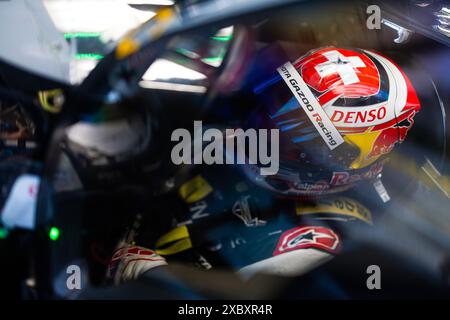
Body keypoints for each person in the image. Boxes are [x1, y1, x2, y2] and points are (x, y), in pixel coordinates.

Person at [106, 46, 422, 284]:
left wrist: (156, 279)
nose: (270, 131)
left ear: (343, 160)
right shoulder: (230, 143)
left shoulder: (316, 244)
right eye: (278, 104)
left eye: (299, 134)